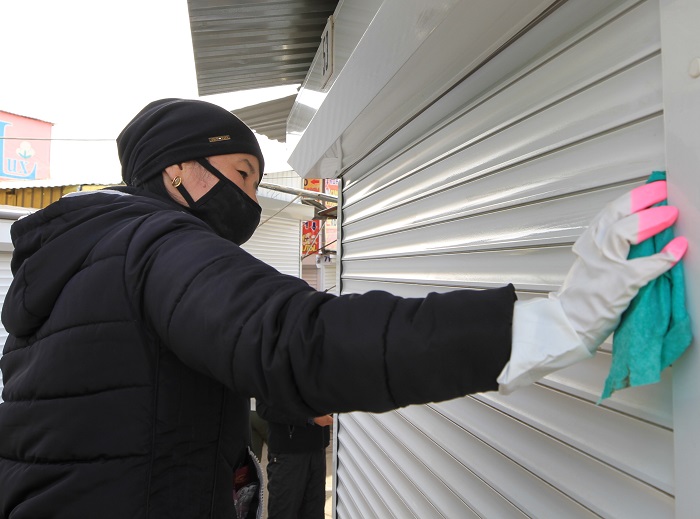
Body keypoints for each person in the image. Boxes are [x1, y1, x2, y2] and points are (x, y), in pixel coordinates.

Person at [0, 98, 686, 519]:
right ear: (177, 168)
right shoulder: (153, 243)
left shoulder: (76, 260)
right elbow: (297, 340)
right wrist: (554, 322)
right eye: (240, 174)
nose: (251, 200)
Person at [256, 399, 332, 519]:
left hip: (317, 450)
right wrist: (310, 418)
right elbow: (264, 408)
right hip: (287, 454)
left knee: (314, 513)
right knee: (284, 513)